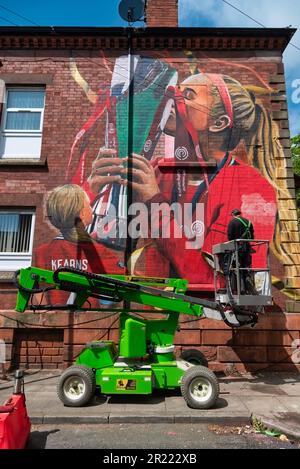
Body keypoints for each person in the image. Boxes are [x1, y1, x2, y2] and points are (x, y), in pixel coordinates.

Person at [34, 184, 124, 306]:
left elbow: (38, 294)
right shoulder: (98, 252)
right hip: (87, 322)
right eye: (89, 205)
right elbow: (127, 279)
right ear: (82, 214)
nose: (92, 208)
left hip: (54, 321)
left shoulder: (41, 253)